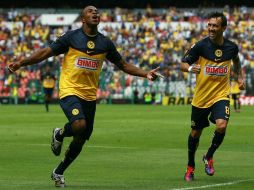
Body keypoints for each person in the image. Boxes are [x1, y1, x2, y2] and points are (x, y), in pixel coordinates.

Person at [8, 5, 161, 187]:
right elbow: (45, 52)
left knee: (80, 140)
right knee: (79, 124)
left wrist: (145, 73)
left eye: (97, 11)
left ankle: (59, 171)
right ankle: (60, 133)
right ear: (83, 18)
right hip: (69, 90)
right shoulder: (71, 37)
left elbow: (123, 65)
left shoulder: (105, 43)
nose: (95, 13)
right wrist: (21, 62)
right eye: (90, 11)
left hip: (89, 96)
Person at [180, 12, 245, 182]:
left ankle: (208, 156)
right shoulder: (200, 46)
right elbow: (183, 62)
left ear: (223, 28)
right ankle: (190, 166)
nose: (211, 28)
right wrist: (189, 69)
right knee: (195, 133)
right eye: (209, 25)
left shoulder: (232, 47)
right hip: (201, 98)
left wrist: (239, 76)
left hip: (220, 95)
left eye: (215, 26)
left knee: (222, 125)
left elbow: (236, 61)